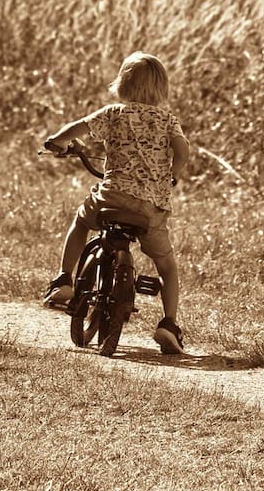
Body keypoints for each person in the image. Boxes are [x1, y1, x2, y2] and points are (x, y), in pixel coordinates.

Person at [42, 51, 191, 354]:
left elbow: (77, 127)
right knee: (166, 265)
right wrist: (173, 173)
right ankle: (168, 323)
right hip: (151, 207)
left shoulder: (114, 113)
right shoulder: (167, 120)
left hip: (112, 198)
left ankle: (63, 280)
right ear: (163, 89)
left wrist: (56, 141)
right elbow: (182, 149)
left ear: (122, 83)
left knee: (82, 222)